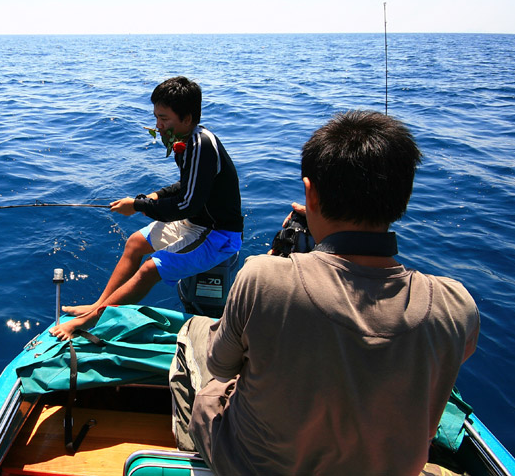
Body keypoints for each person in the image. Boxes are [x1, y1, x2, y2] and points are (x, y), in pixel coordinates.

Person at [170, 110, 480, 475]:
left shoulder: (262, 277)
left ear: (310, 194)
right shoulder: (456, 305)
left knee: (193, 334)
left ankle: (194, 454)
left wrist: (283, 262)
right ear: (403, 198)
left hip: (258, 466)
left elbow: (222, 367)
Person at [49, 76, 243, 341]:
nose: (158, 126)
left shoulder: (201, 145)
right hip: (195, 223)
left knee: (150, 269)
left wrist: (140, 205)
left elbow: (188, 204)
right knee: (134, 243)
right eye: (156, 117)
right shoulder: (187, 140)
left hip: (217, 235)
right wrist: (155, 196)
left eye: (164, 119)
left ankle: (92, 318)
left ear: (187, 119)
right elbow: (188, 185)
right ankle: (98, 305)